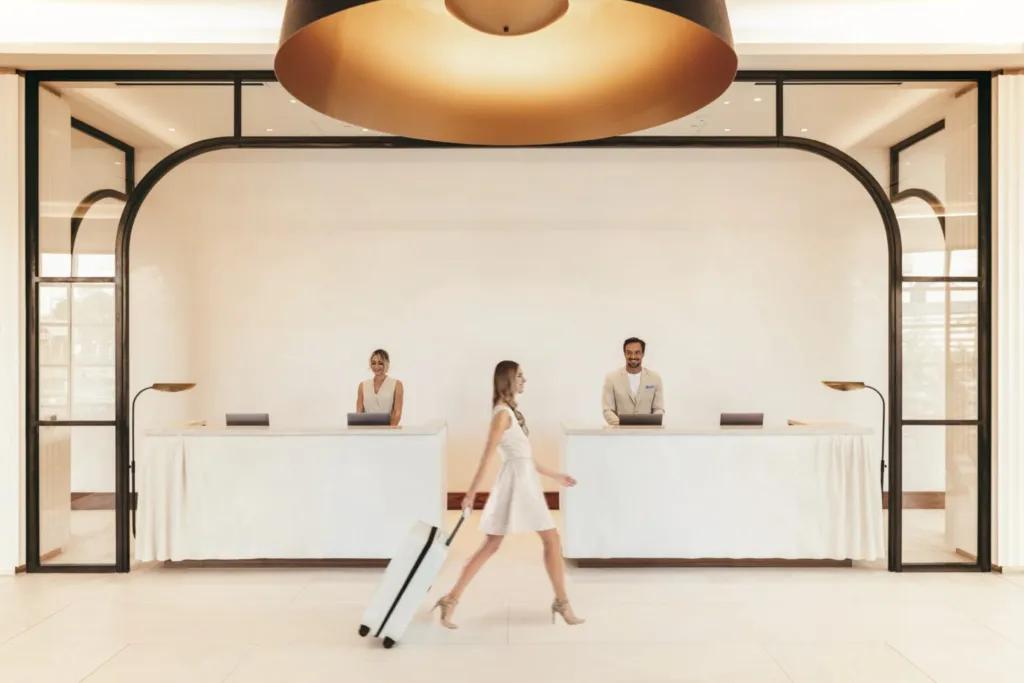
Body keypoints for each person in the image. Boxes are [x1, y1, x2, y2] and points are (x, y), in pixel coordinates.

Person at [433, 361, 585, 628]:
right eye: (520, 376)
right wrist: (470, 494)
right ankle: (560, 603)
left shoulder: (512, 413)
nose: (524, 381)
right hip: (516, 484)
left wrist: (555, 476)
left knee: (519, 542)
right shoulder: (502, 414)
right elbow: (487, 454)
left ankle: (451, 599)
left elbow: (525, 457)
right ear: (508, 381)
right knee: (524, 541)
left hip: (524, 481)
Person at [602, 337, 664, 425]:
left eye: (637, 352)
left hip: (647, 434)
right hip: (620, 434)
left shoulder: (655, 378)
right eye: (629, 353)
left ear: (643, 354)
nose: (633, 356)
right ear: (624, 354)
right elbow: (607, 410)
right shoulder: (611, 378)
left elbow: (658, 409)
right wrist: (624, 426)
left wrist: (648, 426)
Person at [355, 349, 404, 426]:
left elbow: (397, 413)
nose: (376, 366)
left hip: (388, 431)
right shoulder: (363, 385)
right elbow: (359, 413)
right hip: (367, 431)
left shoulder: (397, 384)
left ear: (386, 364)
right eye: (373, 363)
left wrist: (388, 432)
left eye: (380, 363)